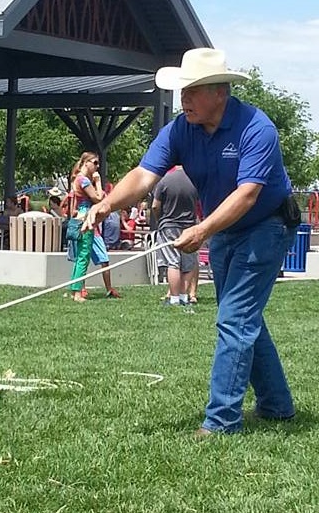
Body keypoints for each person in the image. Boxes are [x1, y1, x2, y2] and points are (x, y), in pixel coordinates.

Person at [84, 48, 298, 435]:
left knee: (234, 318)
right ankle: (277, 406)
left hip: (267, 227)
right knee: (244, 318)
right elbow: (145, 176)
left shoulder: (257, 128)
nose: (183, 99)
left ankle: (221, 422)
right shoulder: (181, 129)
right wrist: (107, 204)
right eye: (182, 90)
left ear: (220, 92)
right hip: (223, 229)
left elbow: (248, 195)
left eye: (192, 90)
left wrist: (202, 231)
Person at [151, 167, 199, 307]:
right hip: (189, 226)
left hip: (169, 226)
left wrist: (160, 220)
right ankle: (184, 297)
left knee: (173, 262)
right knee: (188, 263)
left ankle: (174, 298)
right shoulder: (194, 180)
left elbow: (155, 206)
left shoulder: (165, 180)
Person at [68, 151, 103, 302]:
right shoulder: (85, 181)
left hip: (77, 219)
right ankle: (77, 293)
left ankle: (74, 289)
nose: (97, 166)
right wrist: (98, 181)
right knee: (83, 256)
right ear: (86, 163)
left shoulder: (76, 179)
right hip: (85, 220)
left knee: (79, 258)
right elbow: (98, 198)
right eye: (95, 163)